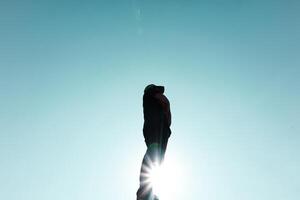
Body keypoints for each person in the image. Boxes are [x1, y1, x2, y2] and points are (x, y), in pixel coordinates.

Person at [136, 84, 172, 200]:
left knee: (156, 159)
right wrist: (167, 114)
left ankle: (146, 194)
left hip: (158, 132)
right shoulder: (150, 94)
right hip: (156, 131)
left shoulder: (155, 108)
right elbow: (166, 102)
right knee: (154, 155)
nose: (162, 94)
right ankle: (145, 194)